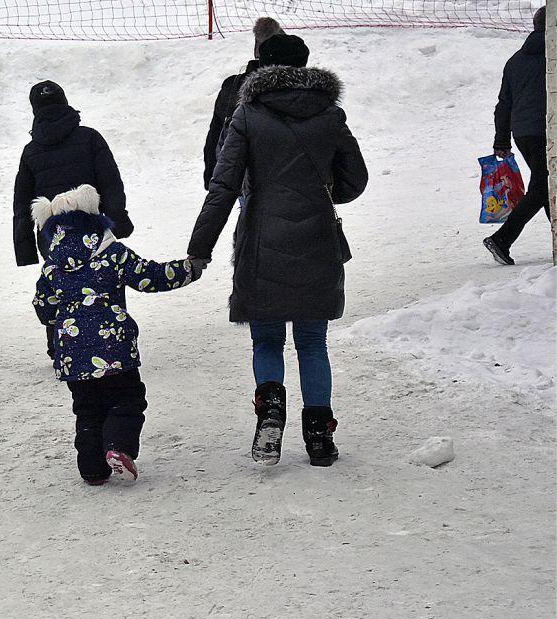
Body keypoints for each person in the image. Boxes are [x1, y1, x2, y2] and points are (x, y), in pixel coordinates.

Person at [186, 34, 368, 468]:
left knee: (266, 338)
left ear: (262, 67)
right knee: (312, 341)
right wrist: (319, 195)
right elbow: (355, 179)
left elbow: (223, 187)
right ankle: (319, 438)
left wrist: (199, 249)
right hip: (317, 239)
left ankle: (269, 420)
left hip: (261, 240)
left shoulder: (247, 115)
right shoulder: (329, 113)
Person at [32, 185, 200, 485]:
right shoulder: (112, 253)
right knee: (128, 399)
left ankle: (92, 468)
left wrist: (63, 313)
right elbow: (150, 277)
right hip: (113, 347)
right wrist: (188, 269)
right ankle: (118, 448)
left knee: (87, 409)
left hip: (73, 354)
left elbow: (44, 308)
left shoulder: (52, 266)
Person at [14, 81, 135, 358]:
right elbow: (111, 183)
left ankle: (61, 345)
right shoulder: (90, 138)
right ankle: (111, 337)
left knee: (61, 283)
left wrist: (24, 246)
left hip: (51, 234)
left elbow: (22, 202)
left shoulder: (31, 152)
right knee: (105, 278)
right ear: (66, 103)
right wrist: (119, 219)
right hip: (93, 228)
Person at [483, 6, 549, 266]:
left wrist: (502, 139)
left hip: (523, 132)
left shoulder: (515, 60)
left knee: (545, 186)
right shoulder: (553, 54)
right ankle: (501, 239)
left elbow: (504, 104)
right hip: (548, 129)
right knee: (544, 187)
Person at [202, 17, 284, 190]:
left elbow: (216, 132)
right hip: (291, 183)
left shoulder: (233, 86)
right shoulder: (301, 90)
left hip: (242, 180)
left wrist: (211, 174)